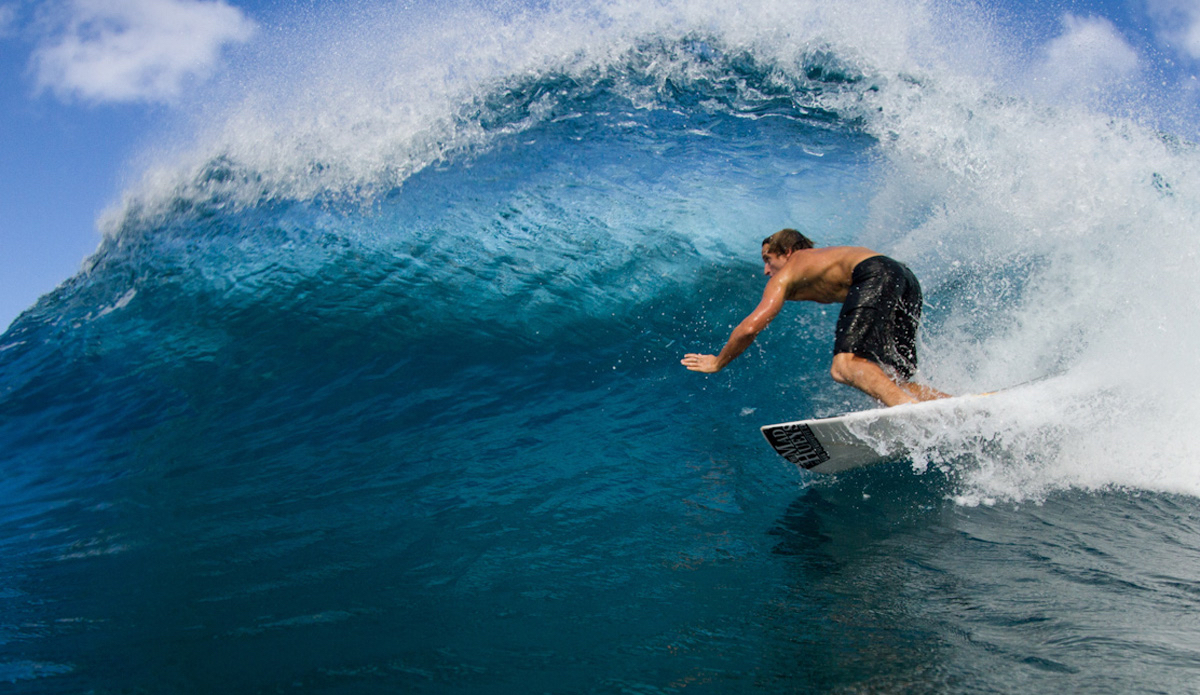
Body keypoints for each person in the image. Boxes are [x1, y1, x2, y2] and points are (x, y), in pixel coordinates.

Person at [681, 228, 947, 406]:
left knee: (845, 366)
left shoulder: (789, 271)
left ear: (786, 252)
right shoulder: (821, 261)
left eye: (767, 259)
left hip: (875, 273)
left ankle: (906, 411)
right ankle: (954, 404)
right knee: (894, 379)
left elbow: (749, 328)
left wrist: (718, 362)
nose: (765, 270)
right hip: (903, 276)